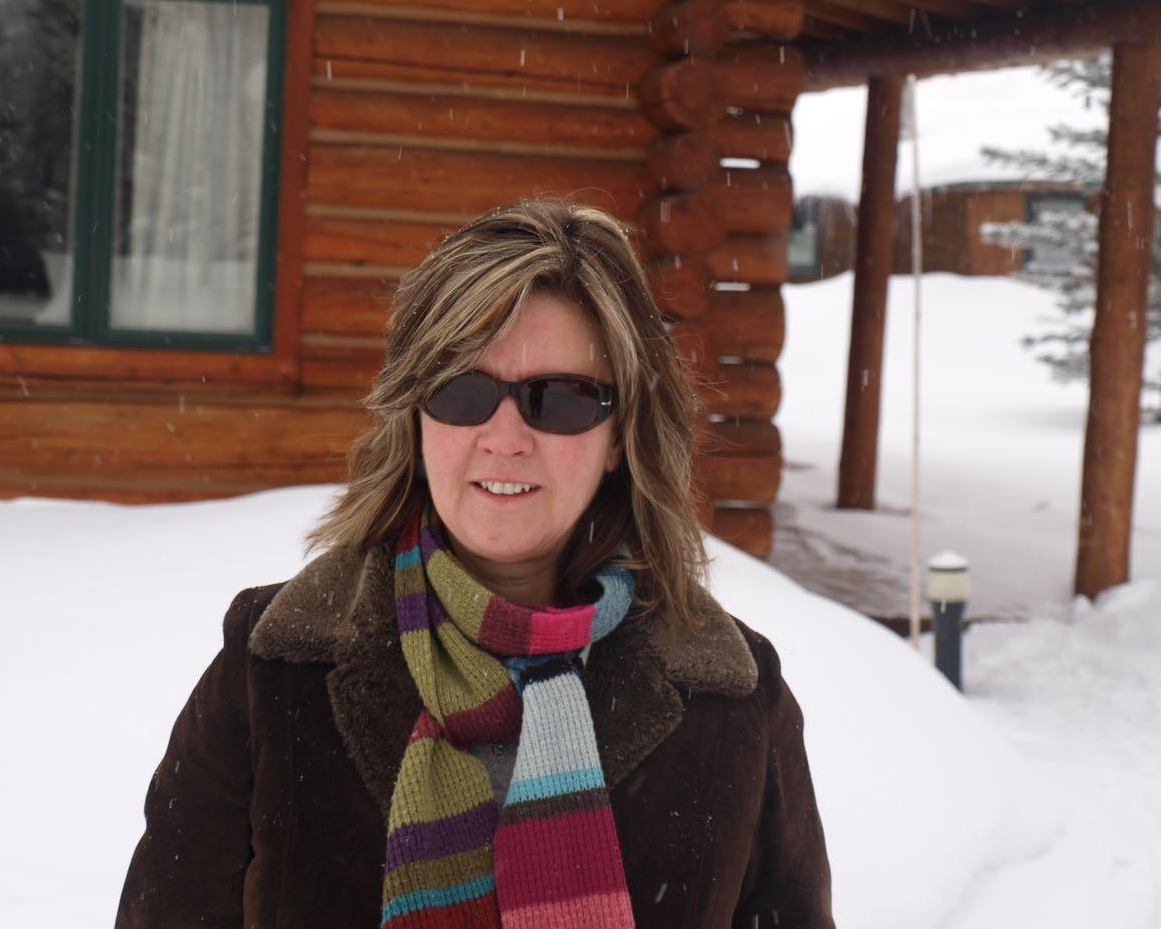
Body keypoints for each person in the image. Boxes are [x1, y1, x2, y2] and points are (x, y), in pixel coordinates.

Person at [115, 197, 835, 929]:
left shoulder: (731, 700)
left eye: (559, 399)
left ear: (620, 435)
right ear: (415, 414)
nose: (504, 438)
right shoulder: (275, 665)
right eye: (462, 391)